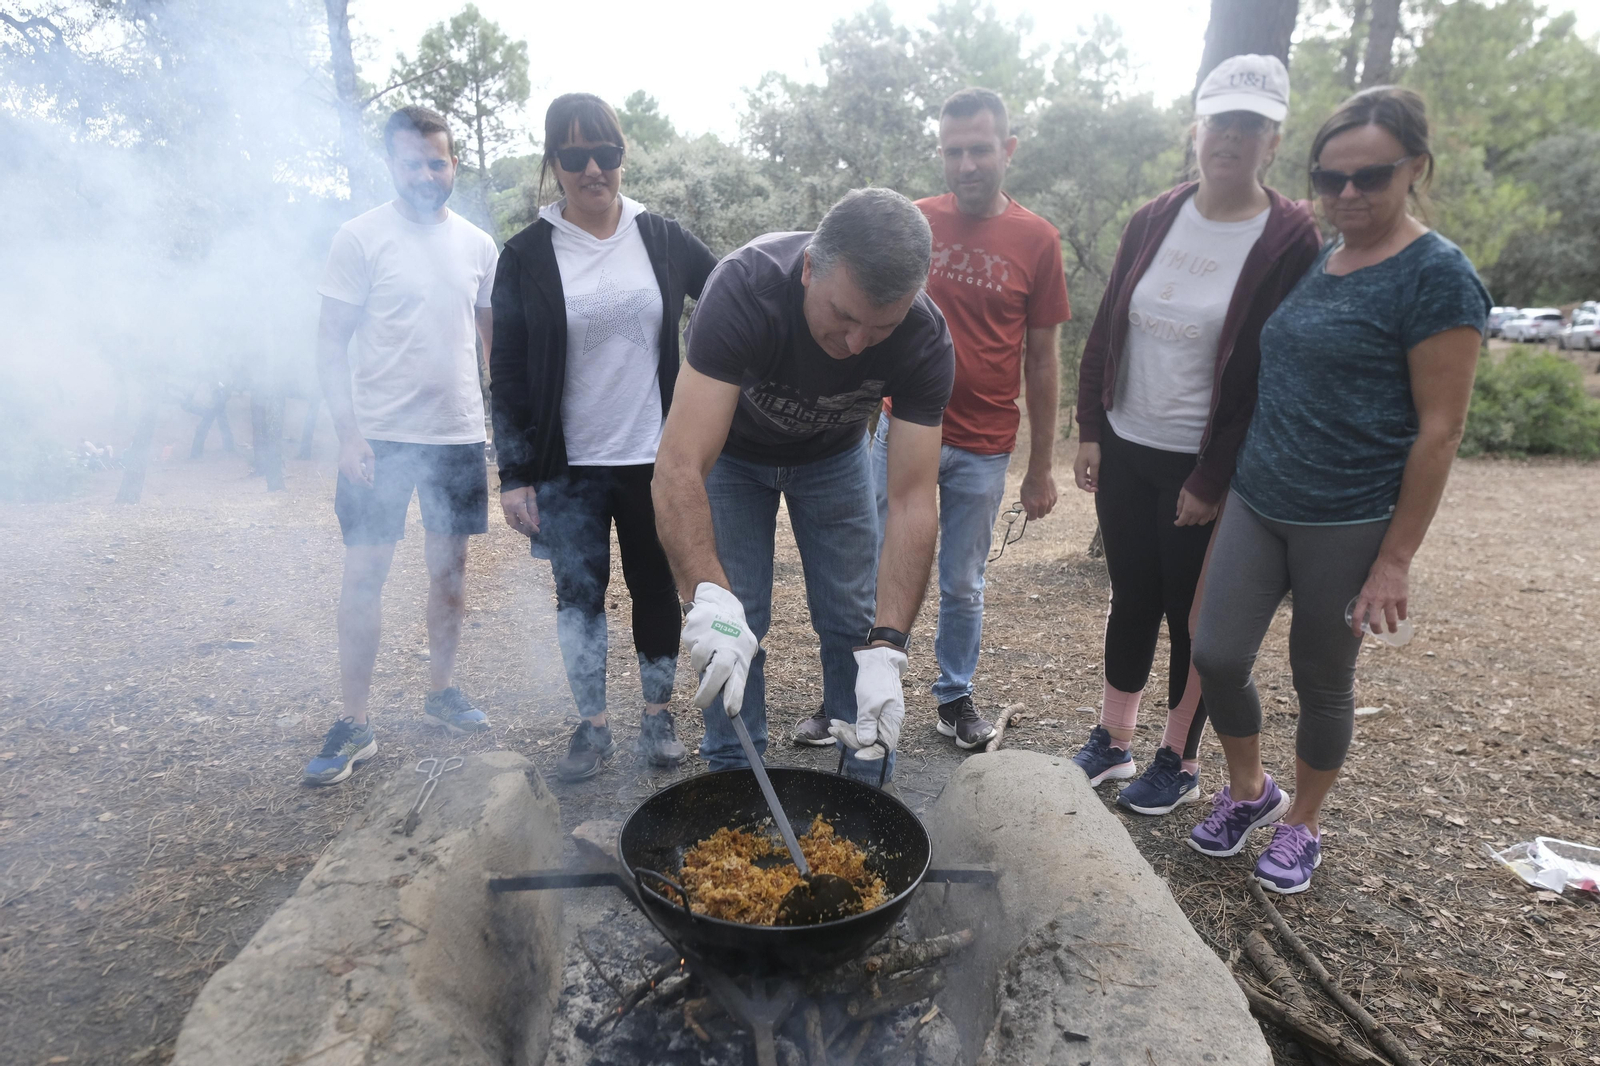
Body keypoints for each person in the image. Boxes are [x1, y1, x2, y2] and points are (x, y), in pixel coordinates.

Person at [1187, 86, 1490, 894]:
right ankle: (1249, 789)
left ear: (1415, 168)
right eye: (1330, 179)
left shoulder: (1438, 276)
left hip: (1348, 517)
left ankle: (1304, 823)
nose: (1347, 194)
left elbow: (1441, 431)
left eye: (1370, 176)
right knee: (1216, 652)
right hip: (1260, 496)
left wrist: (1396, 559)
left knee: (1321, 679)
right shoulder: (1322, 255)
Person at [1070, 54, 1322, 815]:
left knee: (1193, 616)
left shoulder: (1288, 238)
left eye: (1250, 125)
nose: (1231, 138)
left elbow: (1271, 371)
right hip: (1127, 444)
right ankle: (1114, 740)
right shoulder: (1156, 217)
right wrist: (1090, 427)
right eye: (1220, 121)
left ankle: (1177, 760)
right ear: (1197, 128)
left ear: (1274, 140)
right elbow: (1108, 324)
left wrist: (1213, 478)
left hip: (1201, 462)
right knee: (1131, 596)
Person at [652, 188, 955, 786]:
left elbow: (913, 501)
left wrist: (890, 645)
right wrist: (705, 595)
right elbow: (679, 464)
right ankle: (735, 779)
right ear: (810, 268)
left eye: (882, 326)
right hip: (735, 457)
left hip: (835, 456)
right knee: (735, 619)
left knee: (851, 620)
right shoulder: (745, 288)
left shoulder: (923, 336)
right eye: (843, 316)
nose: (856, 344)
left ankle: (864, 779)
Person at [490, 93, 719, 781]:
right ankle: (592, 727)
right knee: (579, 601)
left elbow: (729, 295)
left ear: (622, 156)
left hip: (655, 457)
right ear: (554, 162)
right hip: (568, 468)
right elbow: (507, 371)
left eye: (606, 153)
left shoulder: (661, 238)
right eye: (575, 155)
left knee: (656, 588)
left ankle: (657, 715)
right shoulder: (526, 254)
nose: (593, 169)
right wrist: (514, 474)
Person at [846, 88, 1071, 753]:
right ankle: (857, 690)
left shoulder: (1037, 240)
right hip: (904, 428)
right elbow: (871, 317)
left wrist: (1040, 467)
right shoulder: (915, 222)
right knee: (876, 560)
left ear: (1008, 149)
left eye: (979, 149)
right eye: (953, 151)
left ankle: (954, 697)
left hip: (983, 442)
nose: (966, 164)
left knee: (964, 581)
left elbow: (1043, 360)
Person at [303, 106, 499, 786]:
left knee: (450, 573)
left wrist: (502, 424)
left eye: (436, 162)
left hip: (456, 434)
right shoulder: (360, 238)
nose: (425, 174)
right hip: (379, 437)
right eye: (412, 162)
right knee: (365, 575)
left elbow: (491, 344)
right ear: (391, 164)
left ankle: (441, 691)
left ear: (453, 165)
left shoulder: (478, 245)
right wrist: (347, 434)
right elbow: (329, 342)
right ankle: (354, 721)